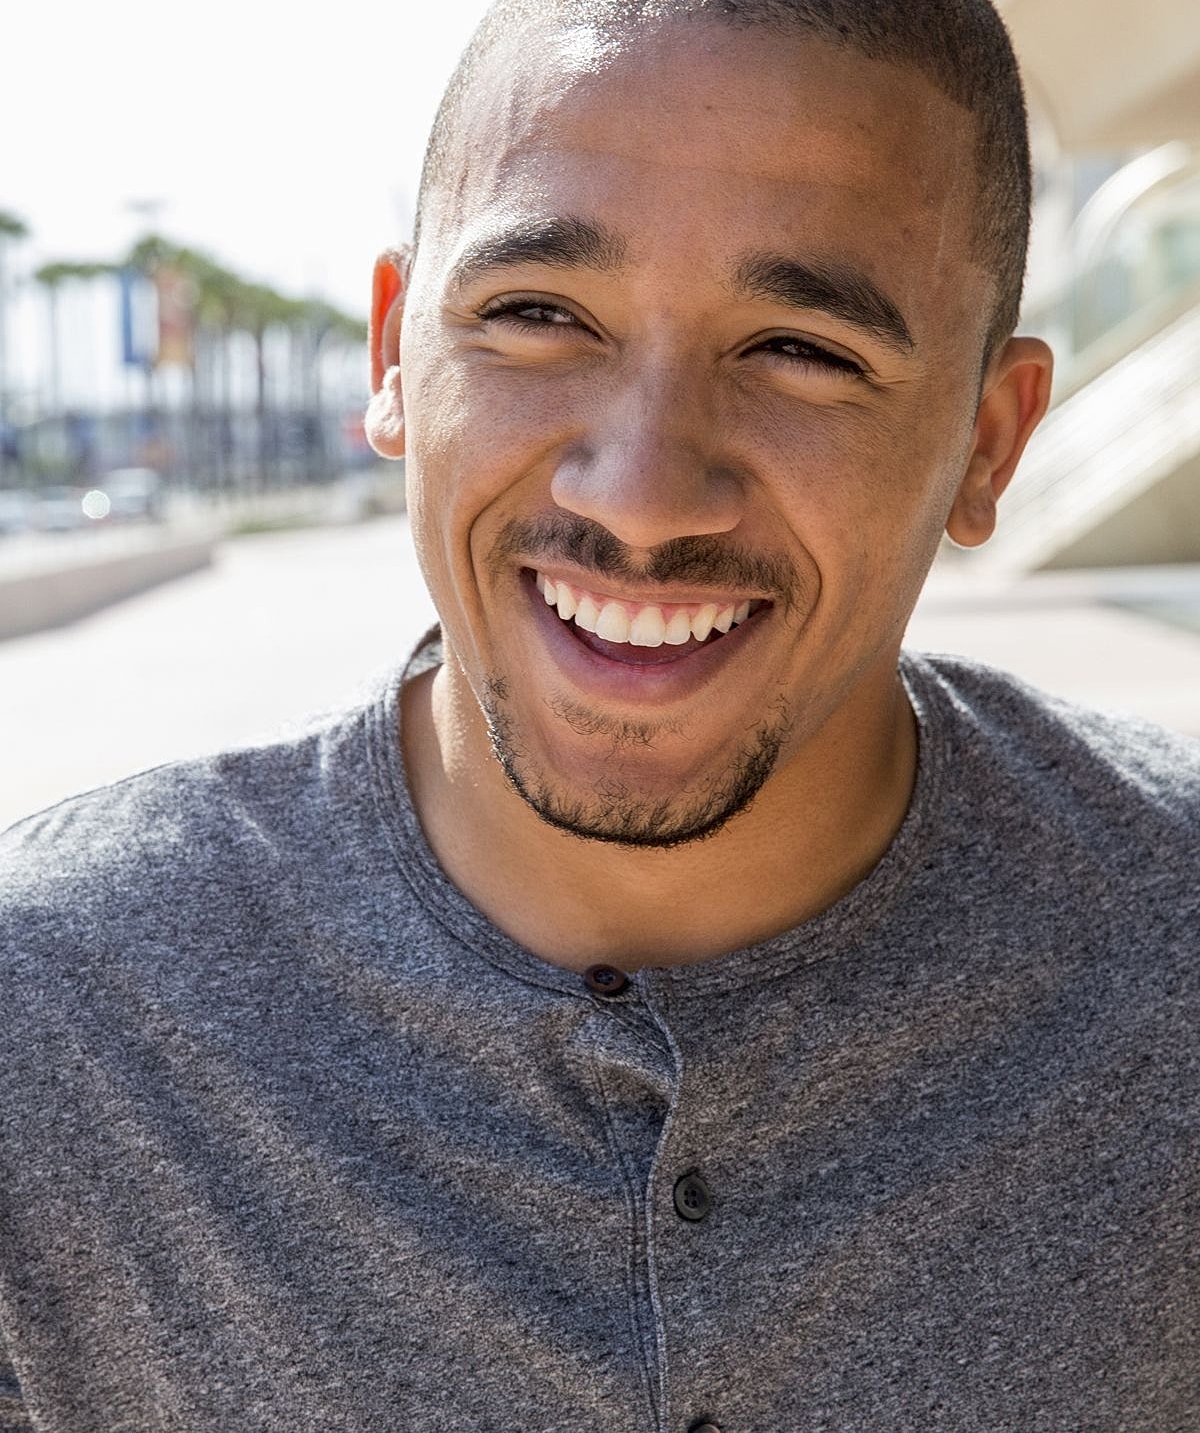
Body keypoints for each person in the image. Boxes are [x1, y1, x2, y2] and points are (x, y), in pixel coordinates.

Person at [1, 0, 1197, 1427]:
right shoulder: (55, 1015)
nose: (637, 493)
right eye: (537, 316)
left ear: (987, 442)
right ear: (395, 356)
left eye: (803, 349)